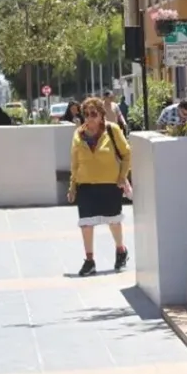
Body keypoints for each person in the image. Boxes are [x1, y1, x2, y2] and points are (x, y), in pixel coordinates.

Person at [67, 97, 132, 277]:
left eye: (93, 114)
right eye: (86, 114)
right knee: (86, 224)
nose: (89, 118)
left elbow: (126, 154)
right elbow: (74, 162)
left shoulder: (112, 130)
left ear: (102, 115)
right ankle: (89, 260)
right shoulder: (78, 134)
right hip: (85, 185)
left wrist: (122, 176)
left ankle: (120, 250)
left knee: (113, 220)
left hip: (110, 183)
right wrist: (72, 186)